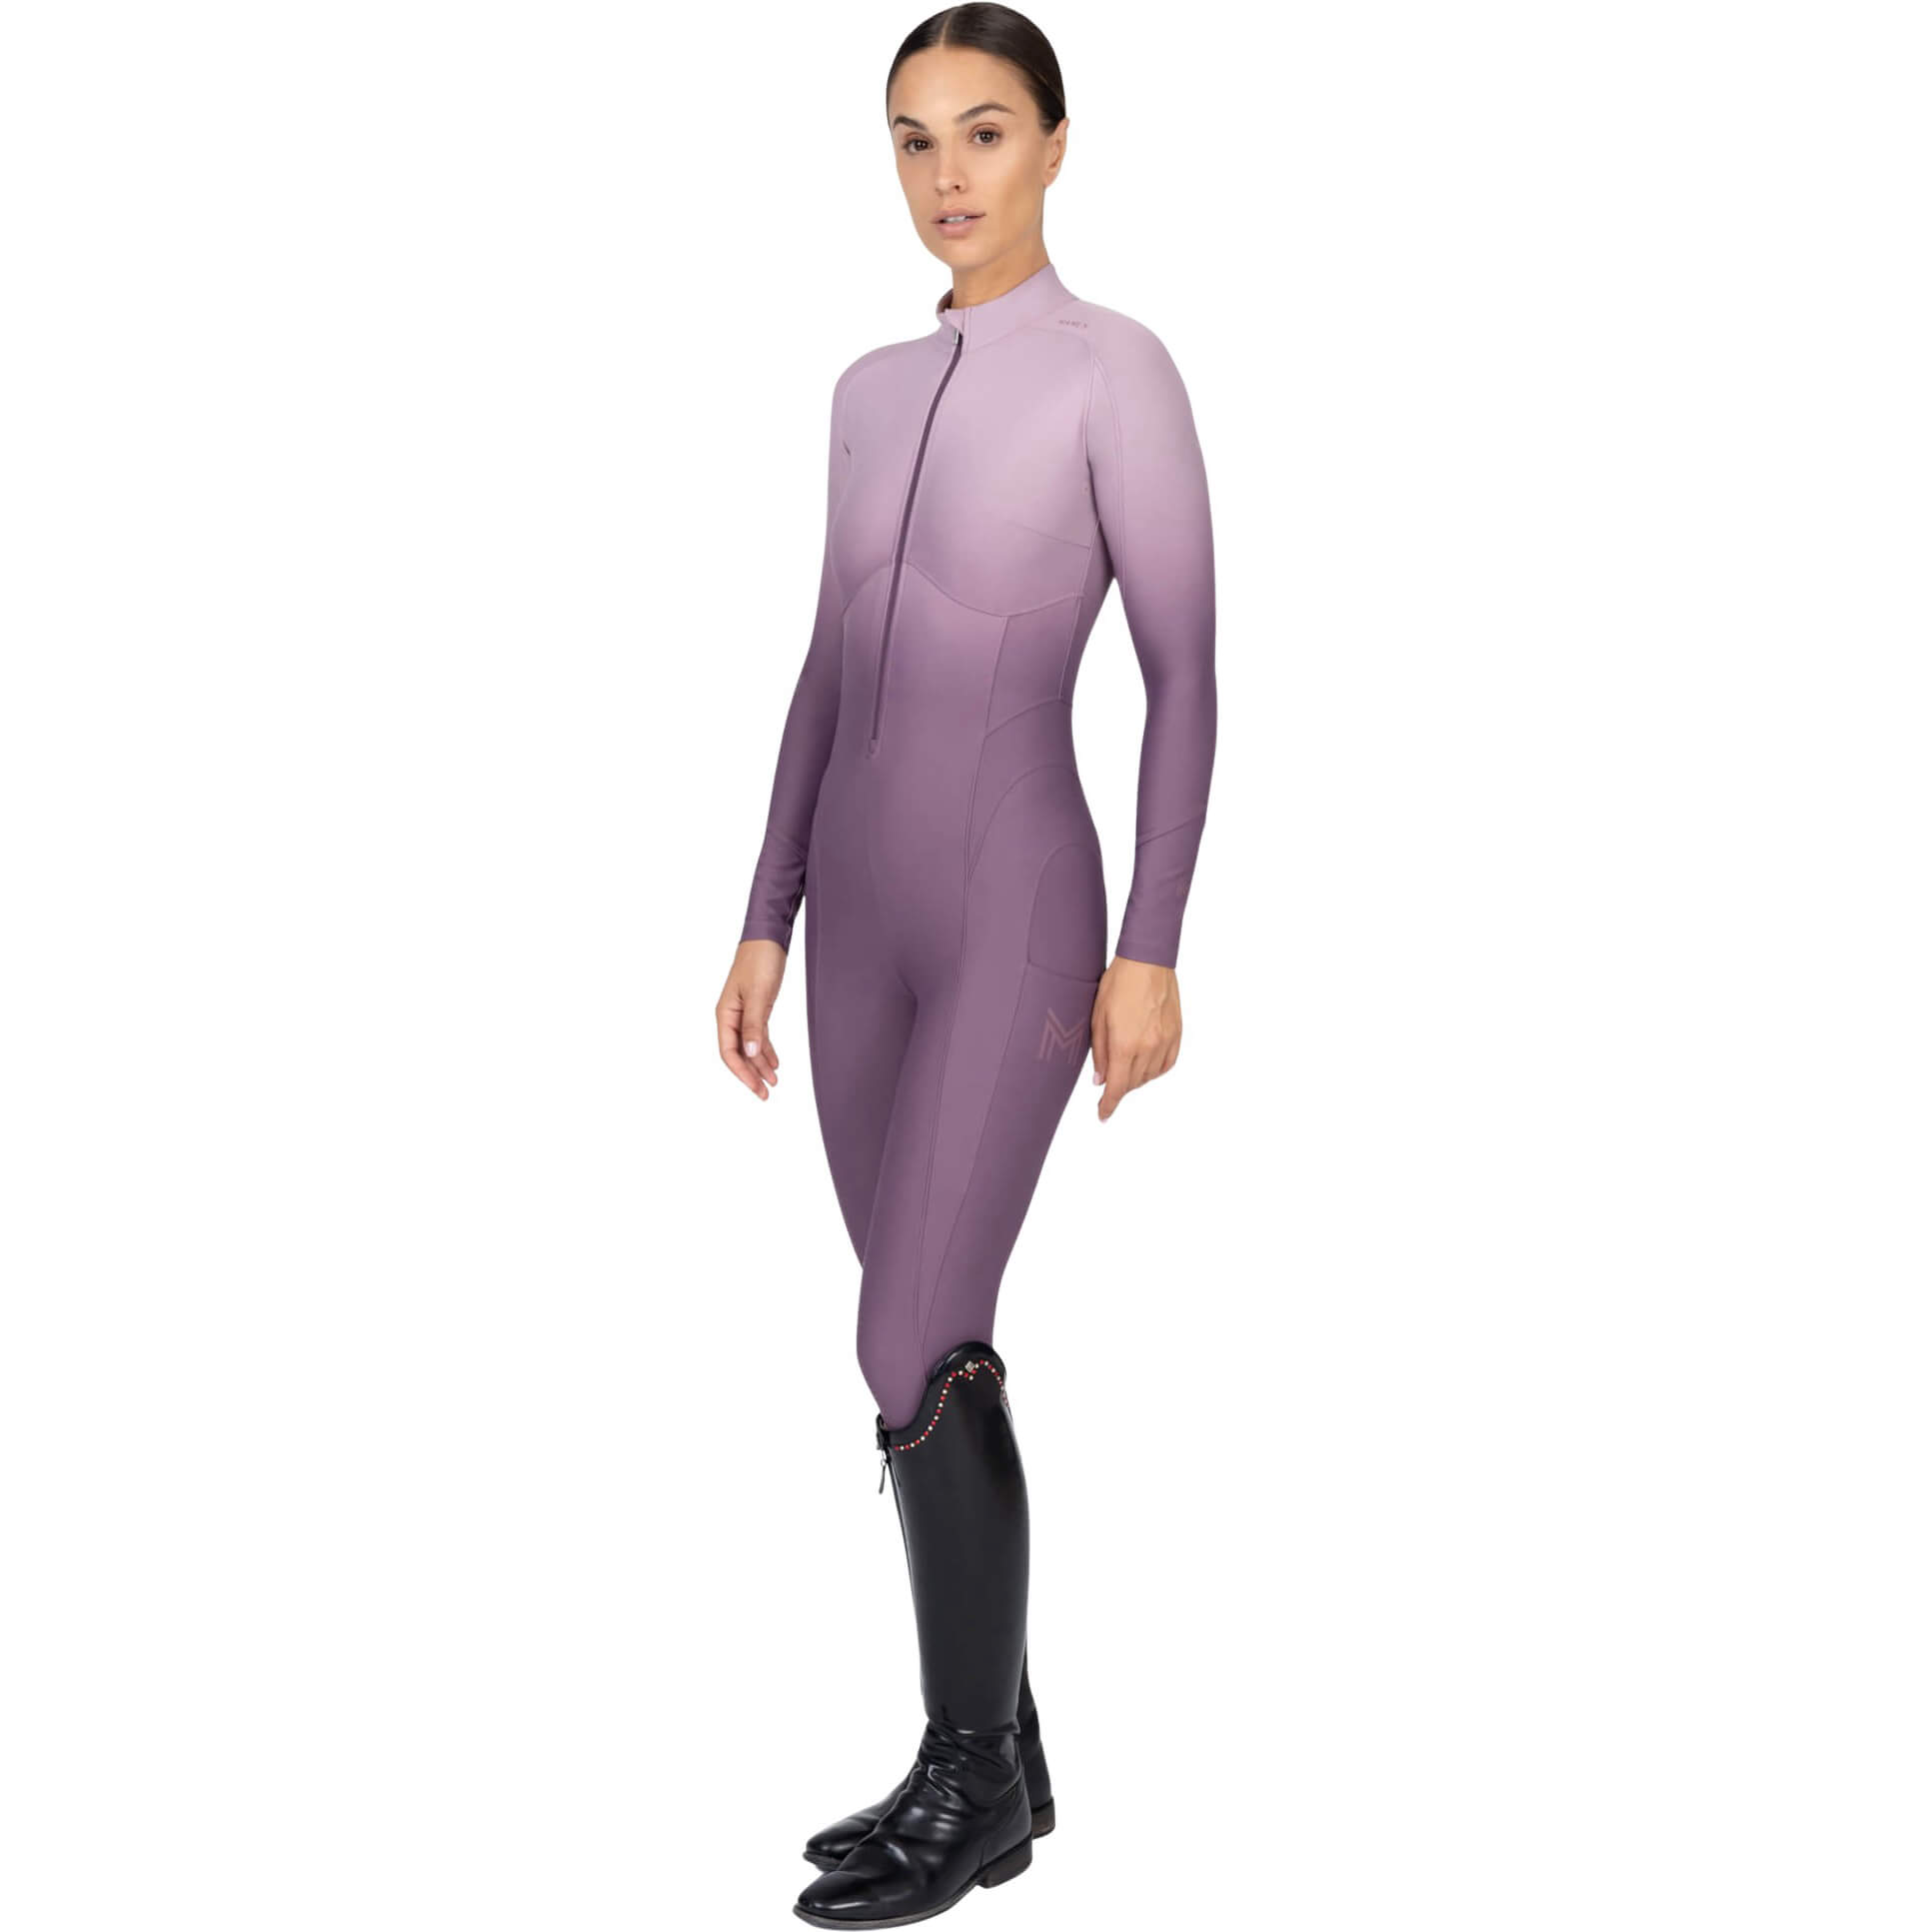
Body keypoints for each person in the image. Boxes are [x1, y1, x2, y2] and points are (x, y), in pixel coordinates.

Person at [713, 7, 1216, 1923]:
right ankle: (1005, 1749)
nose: (947, 175)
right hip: (856, 924)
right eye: (914, 138)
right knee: (919, 1331)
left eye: (985, 132)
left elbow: (1184, 672)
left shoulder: (1114, 371)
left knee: (902, 1330)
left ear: (1056, 146)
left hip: (1014, 904)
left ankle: (966, 1772)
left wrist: (1152, 943)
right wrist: (763, 910)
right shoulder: (860, 387)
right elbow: (825, 663)